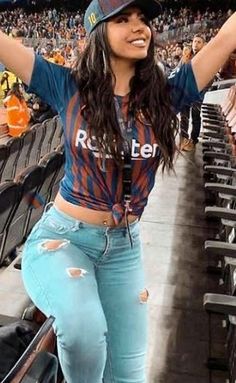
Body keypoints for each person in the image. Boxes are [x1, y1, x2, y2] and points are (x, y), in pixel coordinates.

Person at [0, 0, 236, 381]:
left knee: (128, 374)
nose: (139, 26)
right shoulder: (65, 86)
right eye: (123, 19)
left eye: (143, 19)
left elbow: (227, 36)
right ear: (98, 31)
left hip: (124, 250)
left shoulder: (166, 96)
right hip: (64, 239)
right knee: (83, 328)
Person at [179, 34, 206, 151]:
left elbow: (210, 77)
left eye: (199, 42)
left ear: (204, 44)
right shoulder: (187, 55)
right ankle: (183, 139)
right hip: (185, 92)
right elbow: (180, 71)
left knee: (195, 116)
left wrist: (200, 91)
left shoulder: (207, 56)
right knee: (184, 116)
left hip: (197, 93)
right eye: (194, 42)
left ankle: (194, 140)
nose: (195, 44)